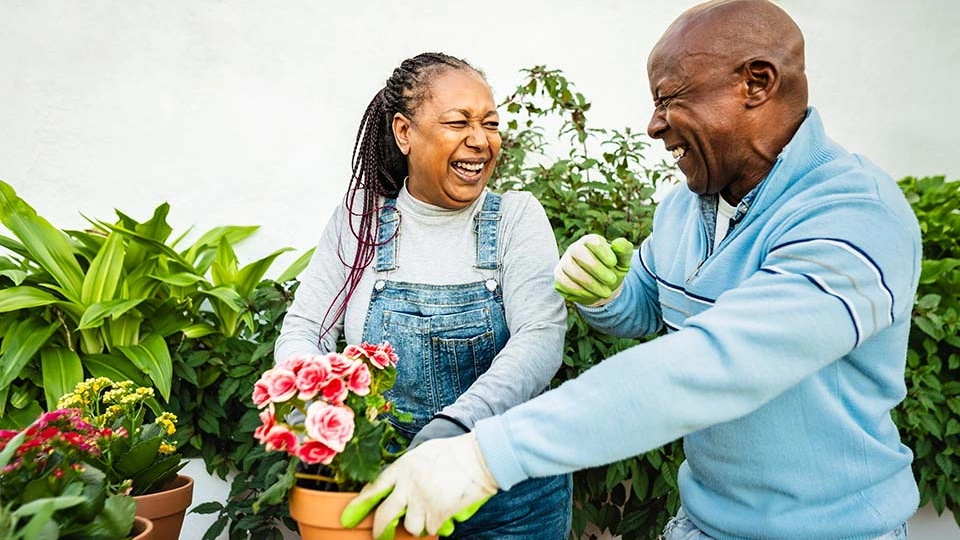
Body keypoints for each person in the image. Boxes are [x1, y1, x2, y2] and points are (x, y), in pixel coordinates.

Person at [342, 2, 923, 539]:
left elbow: (719, 362)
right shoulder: (684, 206)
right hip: (700, 523)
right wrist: (604, 294)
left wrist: (485, 453)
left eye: (671, 99)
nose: (654, 125)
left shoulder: (854, 215)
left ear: (756, 83)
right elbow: (646, 307)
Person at [274, 52, 572, 539]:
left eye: (490, 123)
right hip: (391, 486)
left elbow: (540, 337)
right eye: (459, 122)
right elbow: (307, 329)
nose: (480, 140)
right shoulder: (363, 222)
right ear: (404, 132)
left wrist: (455, 425)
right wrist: (317, 410)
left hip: (512, 494)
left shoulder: (515, 217)